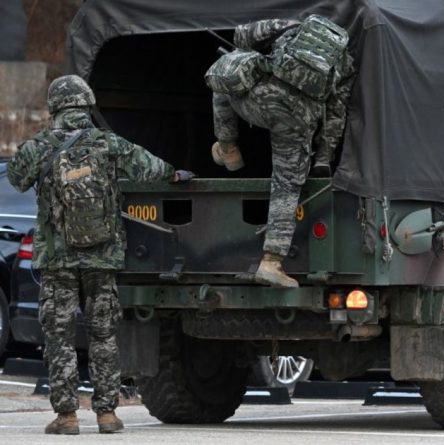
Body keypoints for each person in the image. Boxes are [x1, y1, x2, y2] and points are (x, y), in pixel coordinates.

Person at [6, 75, 194, 435]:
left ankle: (67, 416)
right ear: (87, 103)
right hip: (102, 257)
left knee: (59, 337)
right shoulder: (107, 143)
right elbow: (151, 169)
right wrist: (177, 174)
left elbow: (15, 179)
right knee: (104, 334)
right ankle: (107, 414)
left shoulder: (40, 145)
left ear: (55, 107)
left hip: (57, 260)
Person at [208, 15, 355, 288]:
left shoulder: (292, 25)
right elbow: (336, 113)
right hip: (298, 120)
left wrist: (256, 53)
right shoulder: (345, 62)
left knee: (223, 73)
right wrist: (323, 157)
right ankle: (271, 263)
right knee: (286, 187)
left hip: (260, 100)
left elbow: (242, 35)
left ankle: (227, 147)